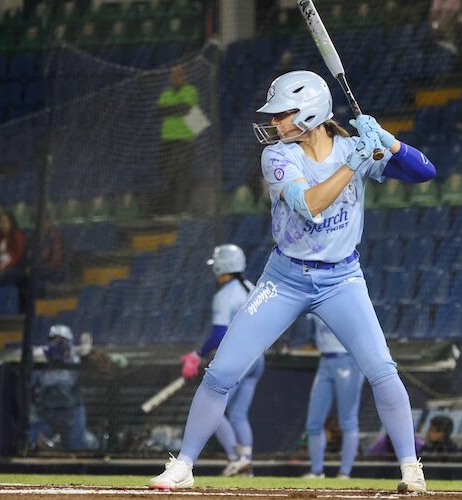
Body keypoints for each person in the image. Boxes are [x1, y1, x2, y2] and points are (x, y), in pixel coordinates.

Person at [149, 70, 436, 493]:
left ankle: (411, 469)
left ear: (311, 112)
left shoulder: (351, 148)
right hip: (284, 279)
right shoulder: (278, 156)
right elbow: (309, 205)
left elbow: (425, 172)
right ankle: (184, 465)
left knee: (381, 368)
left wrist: (390, 143)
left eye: (283, 114)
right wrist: (354, 162)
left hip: (342, 279)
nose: (275, 122)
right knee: (221, 371)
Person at [179, 244, 261, 477]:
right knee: (238, 413)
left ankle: (236, 459)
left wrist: (198, 353)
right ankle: (246, 461)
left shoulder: (225, 295)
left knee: (215, 408)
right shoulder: (253, 288)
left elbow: (218, 334)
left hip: (239, 358)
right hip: (258, 359)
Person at [302, 315, 364, 479]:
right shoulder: (315, 300)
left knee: (348, 420)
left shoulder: (350, 301)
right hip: (324, 361)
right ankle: (316, 471)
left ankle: (345, 473)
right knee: (313, 422)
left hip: (348, 360)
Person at [31, 325, 89, 451]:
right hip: (47, 413)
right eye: (53, 340)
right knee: (33, 443)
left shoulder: (76, 361)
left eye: (61, 340)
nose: (56, 344)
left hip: (71, 412)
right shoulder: (41, 362)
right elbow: (31, 386)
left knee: (75, 448)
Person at [156, 64, 198, 215]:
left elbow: (185, 108)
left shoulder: (190, 90)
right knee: (168, 177)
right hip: (167, 140)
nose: (175, 78)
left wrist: (170, 109)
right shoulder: (166, 93)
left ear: (184, 76)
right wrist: (176, 108)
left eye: (179, 74)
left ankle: (184, 210)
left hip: (184, 140)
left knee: (183, 176)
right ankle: (170, 211)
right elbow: (159, 111)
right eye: (173, 75)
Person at [0, 211, 27, 311]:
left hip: (16, 269)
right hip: (1, 269)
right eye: (1, 222)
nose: (3, 224)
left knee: (1, 276)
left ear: (11, 222)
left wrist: (3, 268)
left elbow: (16, 255)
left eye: (5, 221)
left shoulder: (18, 235)